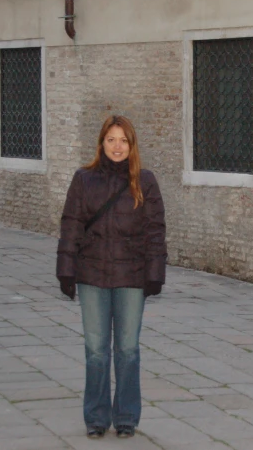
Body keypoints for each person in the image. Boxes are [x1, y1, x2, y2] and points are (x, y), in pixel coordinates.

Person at [56, 115, 166, 439]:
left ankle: (127, 416)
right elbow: (71, 224)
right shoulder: (83, 179)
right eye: (111, 140)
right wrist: (66, 269)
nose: (117, 146)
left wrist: (155, 273)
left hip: (131, 277)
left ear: (131, 146)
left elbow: (155, 231)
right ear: (101, 143)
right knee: (96, 349)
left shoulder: (145, 182)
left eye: (123, 141)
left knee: (128, 349)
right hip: (92, 276)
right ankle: (96, 417)